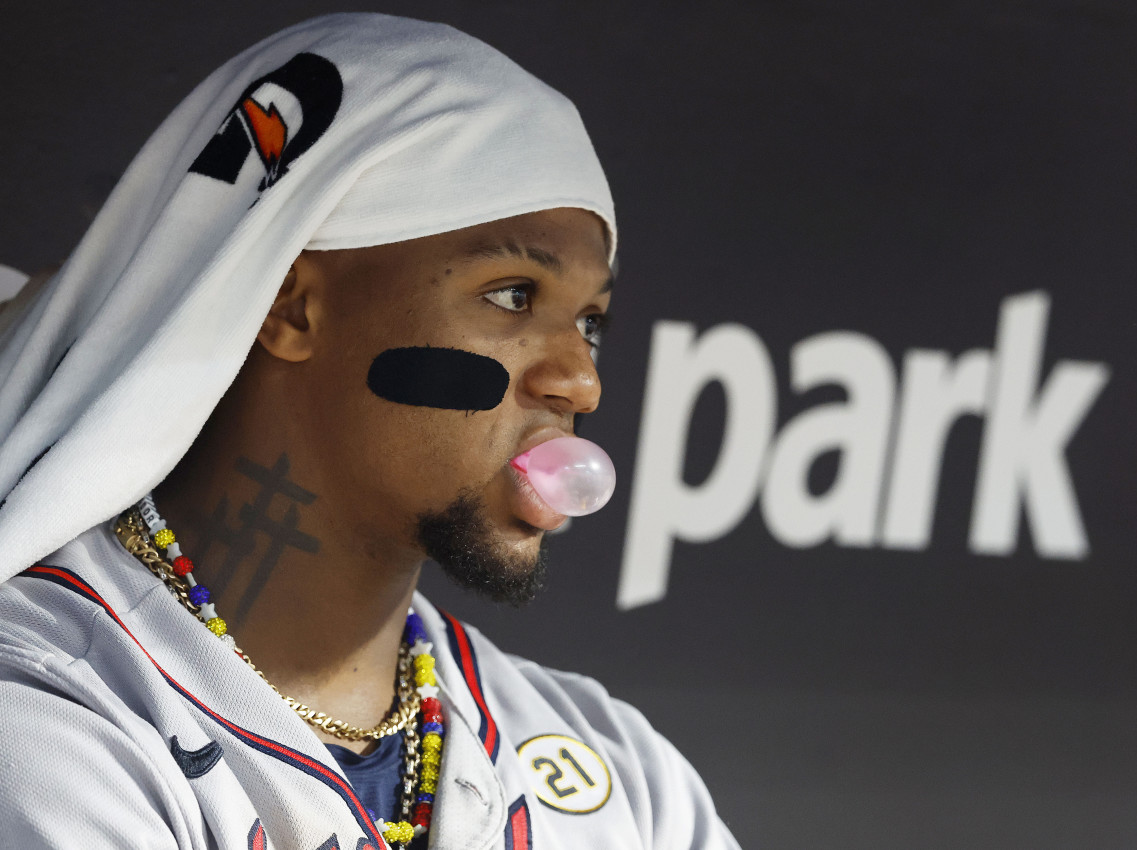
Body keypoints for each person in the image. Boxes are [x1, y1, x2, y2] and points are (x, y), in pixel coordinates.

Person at [0, 13, 739, 850]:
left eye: (591, 323)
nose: (579, 380)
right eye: (513, 295)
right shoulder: (44, 715)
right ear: (292, 304)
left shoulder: (619, 771)